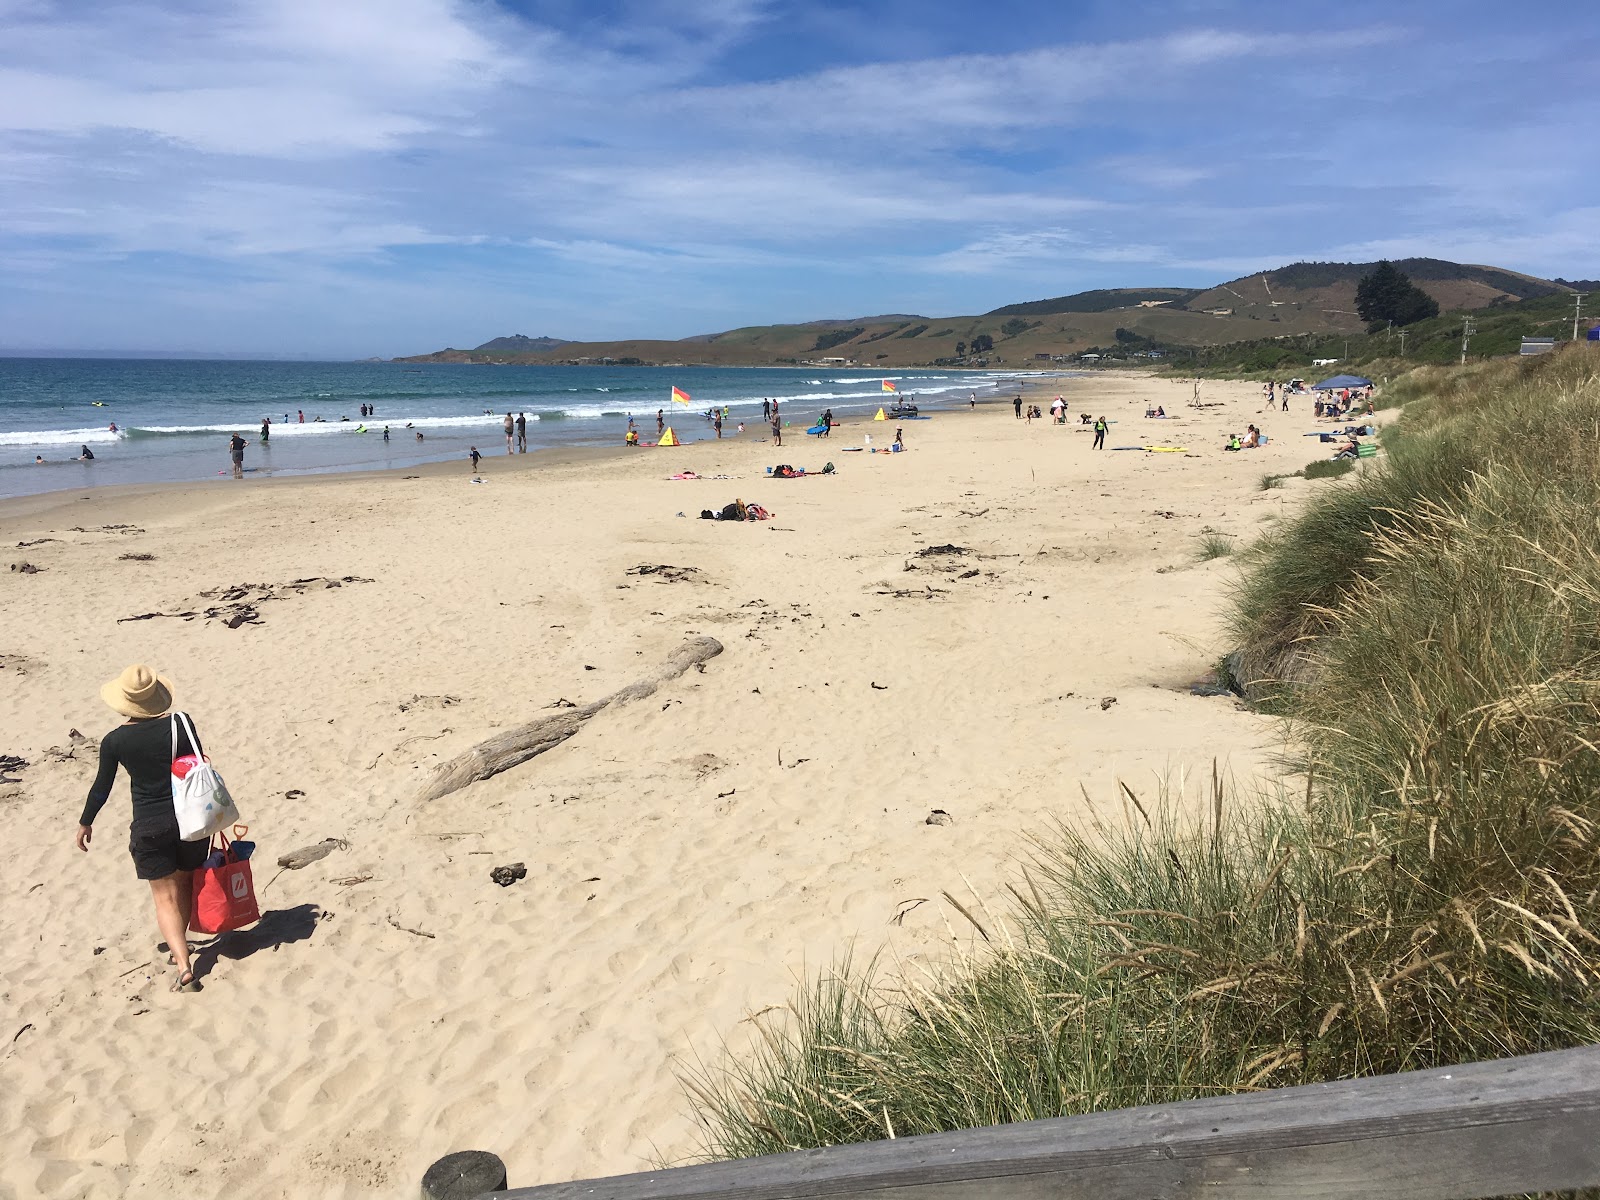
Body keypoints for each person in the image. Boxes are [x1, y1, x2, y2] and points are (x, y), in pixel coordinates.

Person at [76, 665, 208, 992]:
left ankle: (183, 964)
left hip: (149, 824)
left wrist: (85, 821)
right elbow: (195, 761)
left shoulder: (114, 741)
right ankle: (183, 941)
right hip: (189, 817)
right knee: (185, 881)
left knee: (163, 898)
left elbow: (101, 787)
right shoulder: (181, 723)